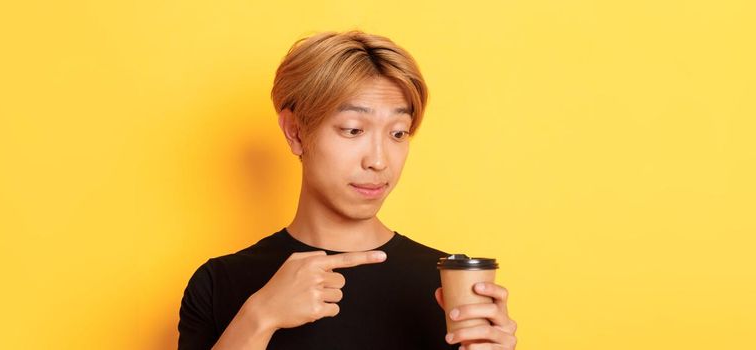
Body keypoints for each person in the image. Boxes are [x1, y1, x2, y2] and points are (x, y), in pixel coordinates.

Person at [178, 30, 517, 350]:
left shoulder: (449, 285)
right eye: (354, 130)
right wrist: (259, 317)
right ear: (295, 132)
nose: (379, 161)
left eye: (398, 133)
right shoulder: (218, 283)